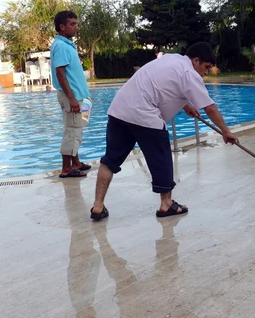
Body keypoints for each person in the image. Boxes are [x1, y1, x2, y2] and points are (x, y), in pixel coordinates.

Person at [90, 42, 239, 221]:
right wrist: (225, 131)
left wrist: (185, 105)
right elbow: (210, 107)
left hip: (119, 110)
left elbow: (161, 83)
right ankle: (166, 204)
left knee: (110, 160)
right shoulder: (190, 73)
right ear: (196, 60)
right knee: (162, 158)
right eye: (206, 67)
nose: (206, 72)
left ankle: (98, 206)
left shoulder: (170, 59)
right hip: (144, 115)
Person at [50, 10, 92, 178]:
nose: (76, 27)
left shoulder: (65, 44)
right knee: (72, 130)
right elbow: (60, 73)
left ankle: (76, 163)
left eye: (76, 24)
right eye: (72, 24)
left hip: (77, 95)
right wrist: (72, 98)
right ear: (62, 26)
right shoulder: (60, 46)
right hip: (71, 96)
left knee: (76, 128)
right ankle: (66, 168)